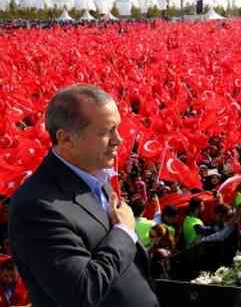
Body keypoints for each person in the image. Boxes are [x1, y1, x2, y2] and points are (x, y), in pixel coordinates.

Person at [8, 84, 159, 307]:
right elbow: (82, 291)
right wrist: (124, 232)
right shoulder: (37, 206)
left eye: (117, 128)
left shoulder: (95, 175)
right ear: (66, 138)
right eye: (106, 132)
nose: (118, 140)